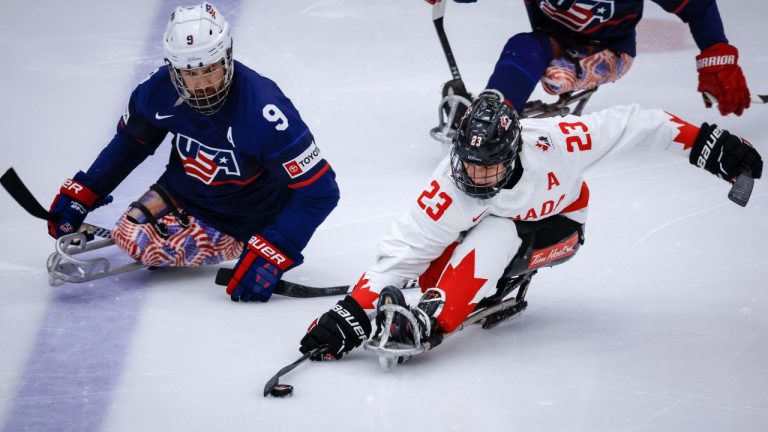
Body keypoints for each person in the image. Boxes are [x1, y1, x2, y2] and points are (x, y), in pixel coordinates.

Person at [298, 90, 762, 361]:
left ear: (514, 153)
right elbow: (402, 249)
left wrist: (708, 143)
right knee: (428, 259)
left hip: (560, 226)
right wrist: (351, 313)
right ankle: (448, 287)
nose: (474, 177)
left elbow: (639, 124)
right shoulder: (451, 181)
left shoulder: (560, 142)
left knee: (499, 230)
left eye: (488, 168)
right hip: (499, 223)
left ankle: (434, 318)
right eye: (469, 165)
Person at [46, 3, 340, 303]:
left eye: (210, 68)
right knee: (127, 232)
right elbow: (131, 142)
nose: (202, 86)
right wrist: (84, 190)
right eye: (190, 73)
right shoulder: (158, 89)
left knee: (135, 242)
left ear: (227, 57)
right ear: (174, 69)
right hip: (181, 191)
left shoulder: (264, 112)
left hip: (241, 217)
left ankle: (234, 237)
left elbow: (321, 191)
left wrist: (275, 248)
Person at [426, 0, 752, 117]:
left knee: (557, 77)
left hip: (610, 51)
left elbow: (698, 6)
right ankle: (493, 116)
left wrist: (717, 56)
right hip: (552, 40)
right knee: (523, 49)